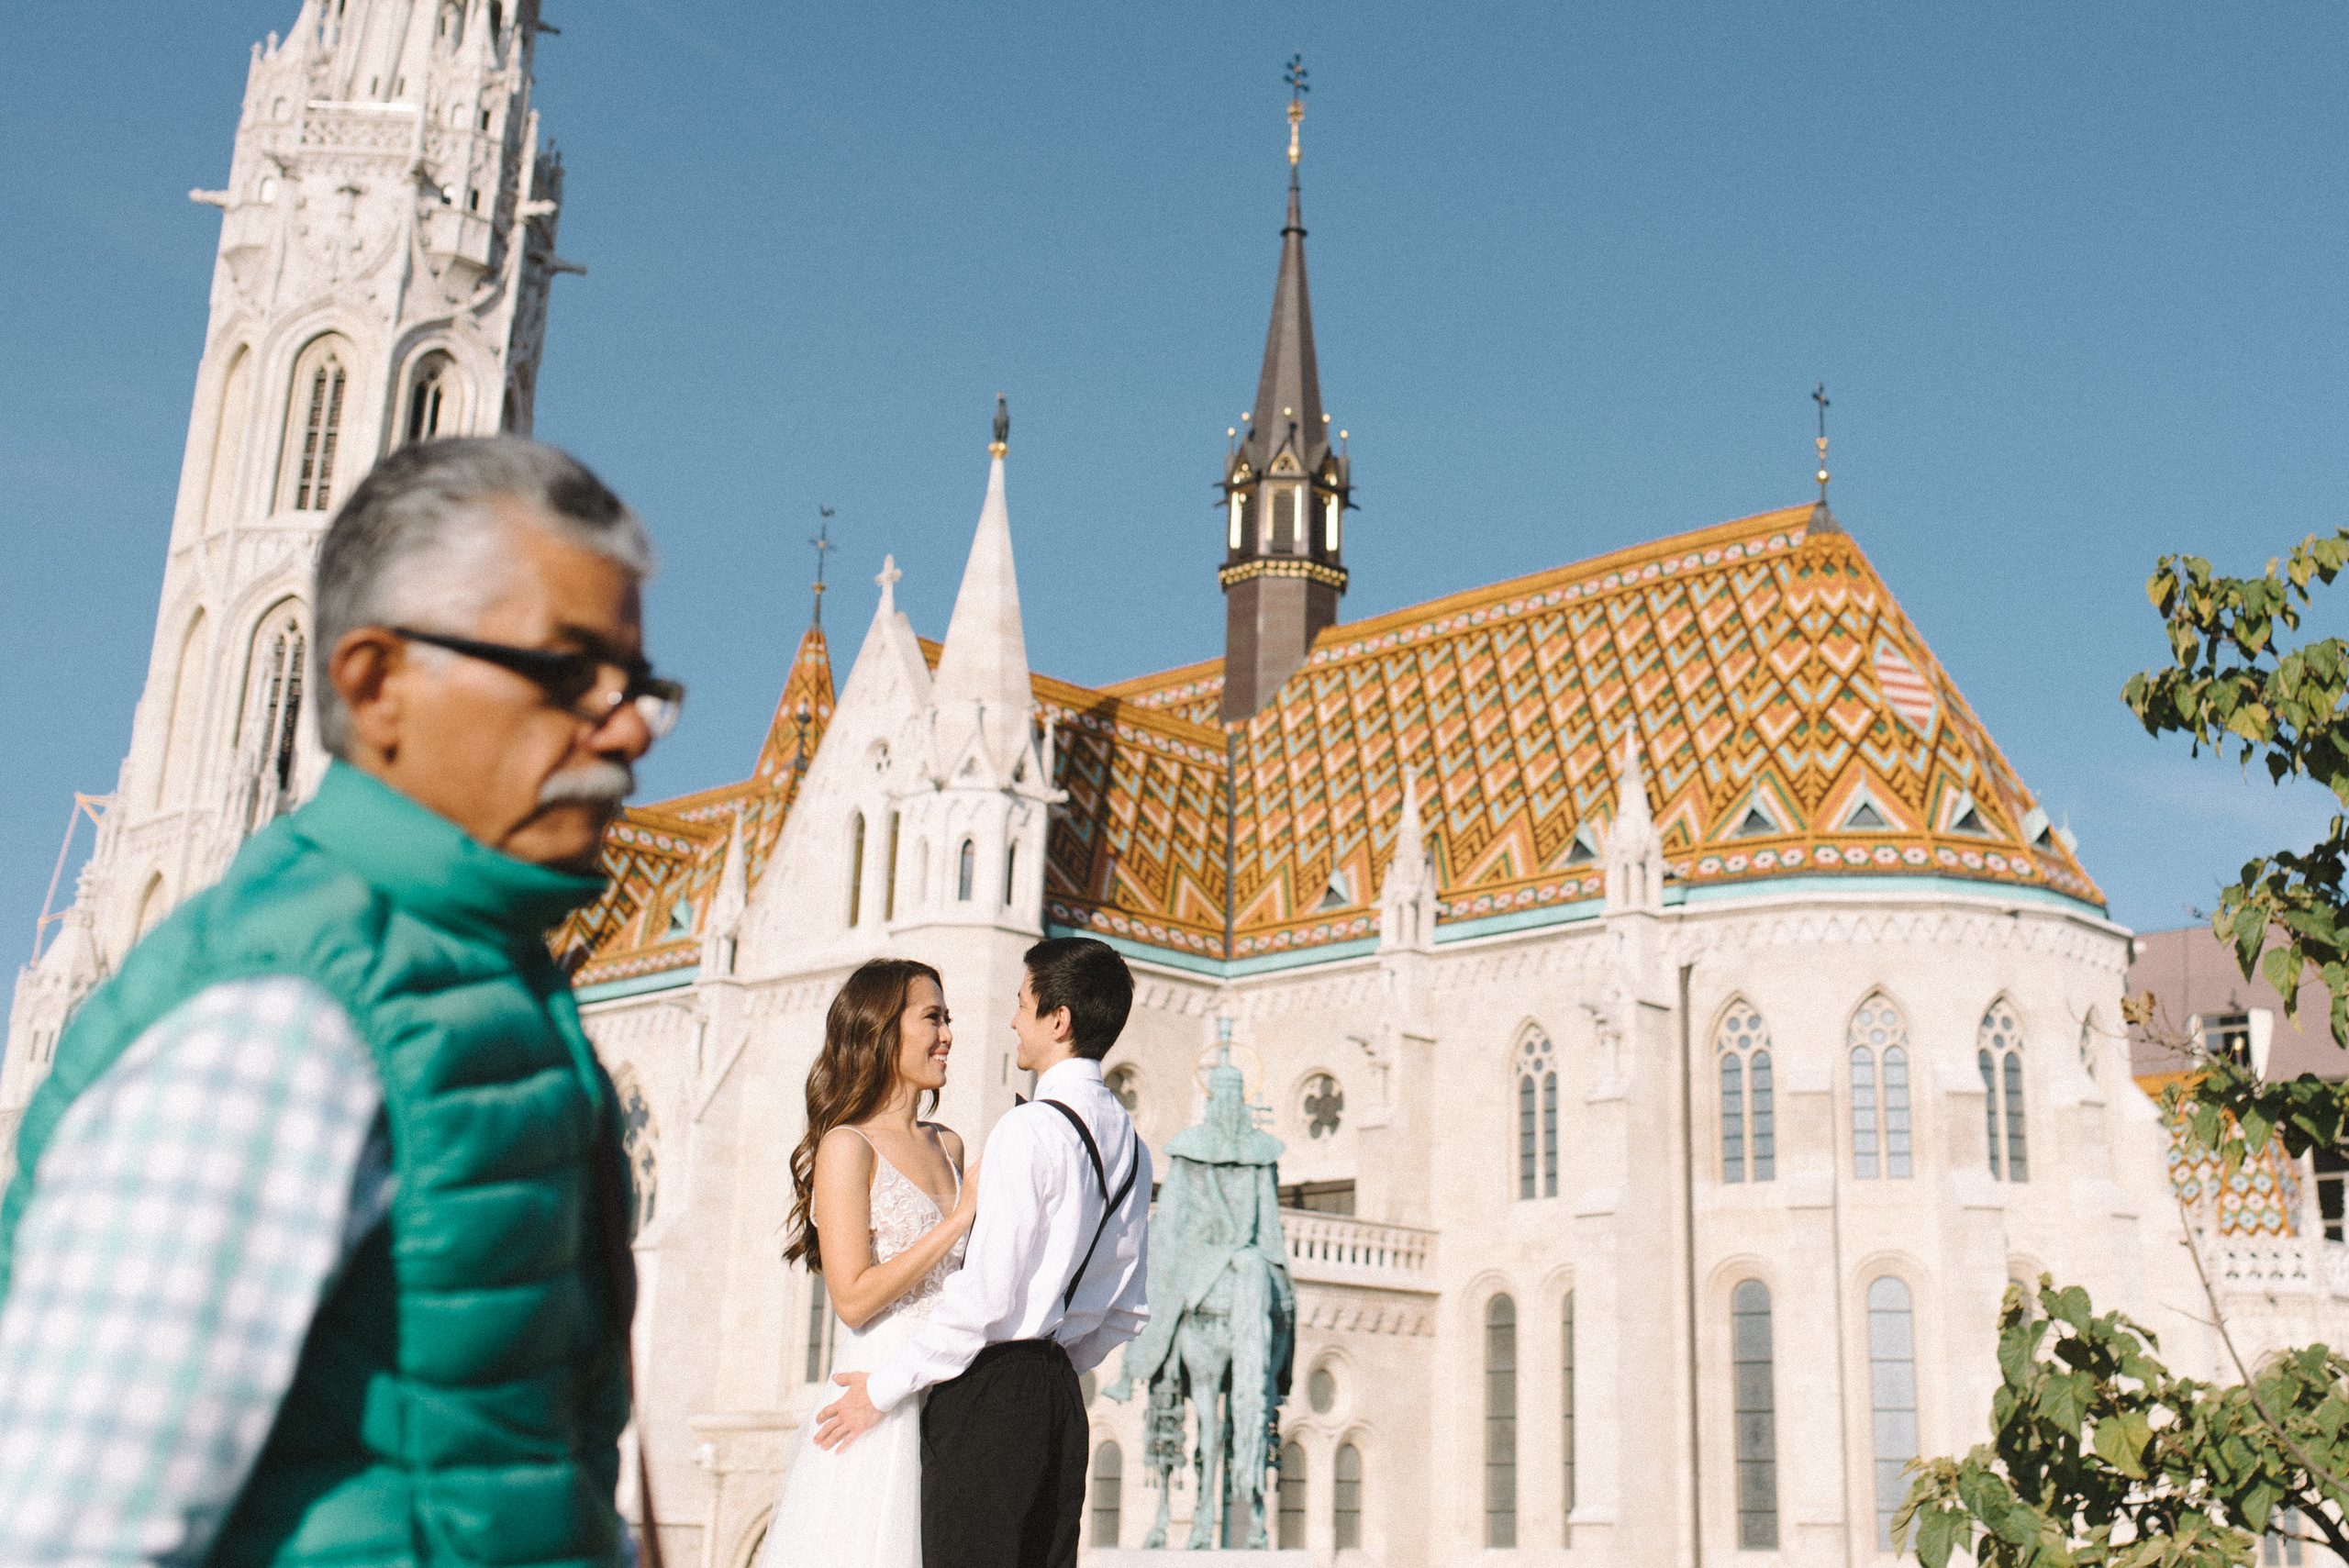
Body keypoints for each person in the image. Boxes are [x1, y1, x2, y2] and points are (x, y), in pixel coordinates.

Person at [0, 437, 680, 1565]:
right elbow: (63, 1524)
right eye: (569, 675)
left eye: (638, 688)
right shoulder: (279, 1016)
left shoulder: (488, 983)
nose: (624, 729)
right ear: (375, 683)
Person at [814, 936, 1152, 1568]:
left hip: (974, 1388)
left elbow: (986, 1297)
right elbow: (1127, 1309)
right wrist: (1047, 1364)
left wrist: (891, 1389)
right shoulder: (1133, 1144)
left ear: (1058, 1019)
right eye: (935, 1017)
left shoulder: (1020, 1130)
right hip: (1050, 1392)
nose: (1011, 1021)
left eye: (1022, 1003)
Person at [756, 958, 979, 1568]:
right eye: (932, 1018)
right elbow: (852, 1297)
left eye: (948, 1018)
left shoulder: (949, 1144)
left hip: (952, 1385)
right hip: (876, 1395)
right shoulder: (846, 1146)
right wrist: (959, 1220)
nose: (947, 1035)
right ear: (883, 1029)